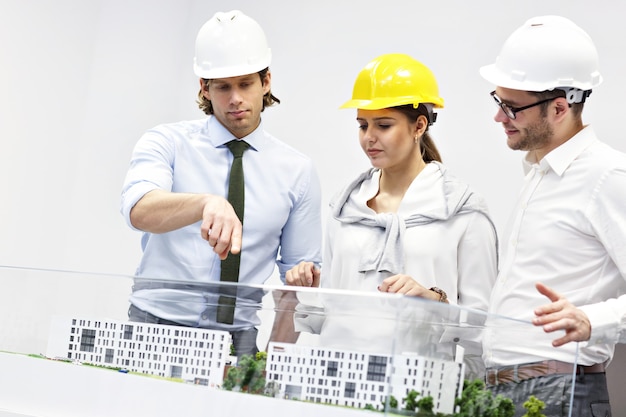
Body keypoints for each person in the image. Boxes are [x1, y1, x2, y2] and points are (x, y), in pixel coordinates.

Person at [120, 10, 322, 358]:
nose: (235, 99)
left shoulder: (297, 171)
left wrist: (270, 364)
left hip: (238, 338)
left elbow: (297, 287)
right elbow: (139, 210)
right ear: (204, 87)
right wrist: (205, 203)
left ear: (266, 82)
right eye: (223, 87)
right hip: (153, 326)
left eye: (245, 84)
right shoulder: (167, 142)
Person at [288, 54, 498, 372]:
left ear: (419, 126)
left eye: (383, 125)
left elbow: (484, 326)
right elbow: (324, 317)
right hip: (337, 381)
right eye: (362, 125)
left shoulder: (463, 211)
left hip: (419, 389)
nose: (369, 137)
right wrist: (309, 291)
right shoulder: (345, 207)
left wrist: (435, 301)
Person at [480, 15, 626, 417]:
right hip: (506, 390)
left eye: (510, 108)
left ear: (559, 107)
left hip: (560, 392)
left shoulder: (607, 176)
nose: (498, 117)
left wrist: (595, 318)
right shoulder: (539, 175)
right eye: (497, 102)